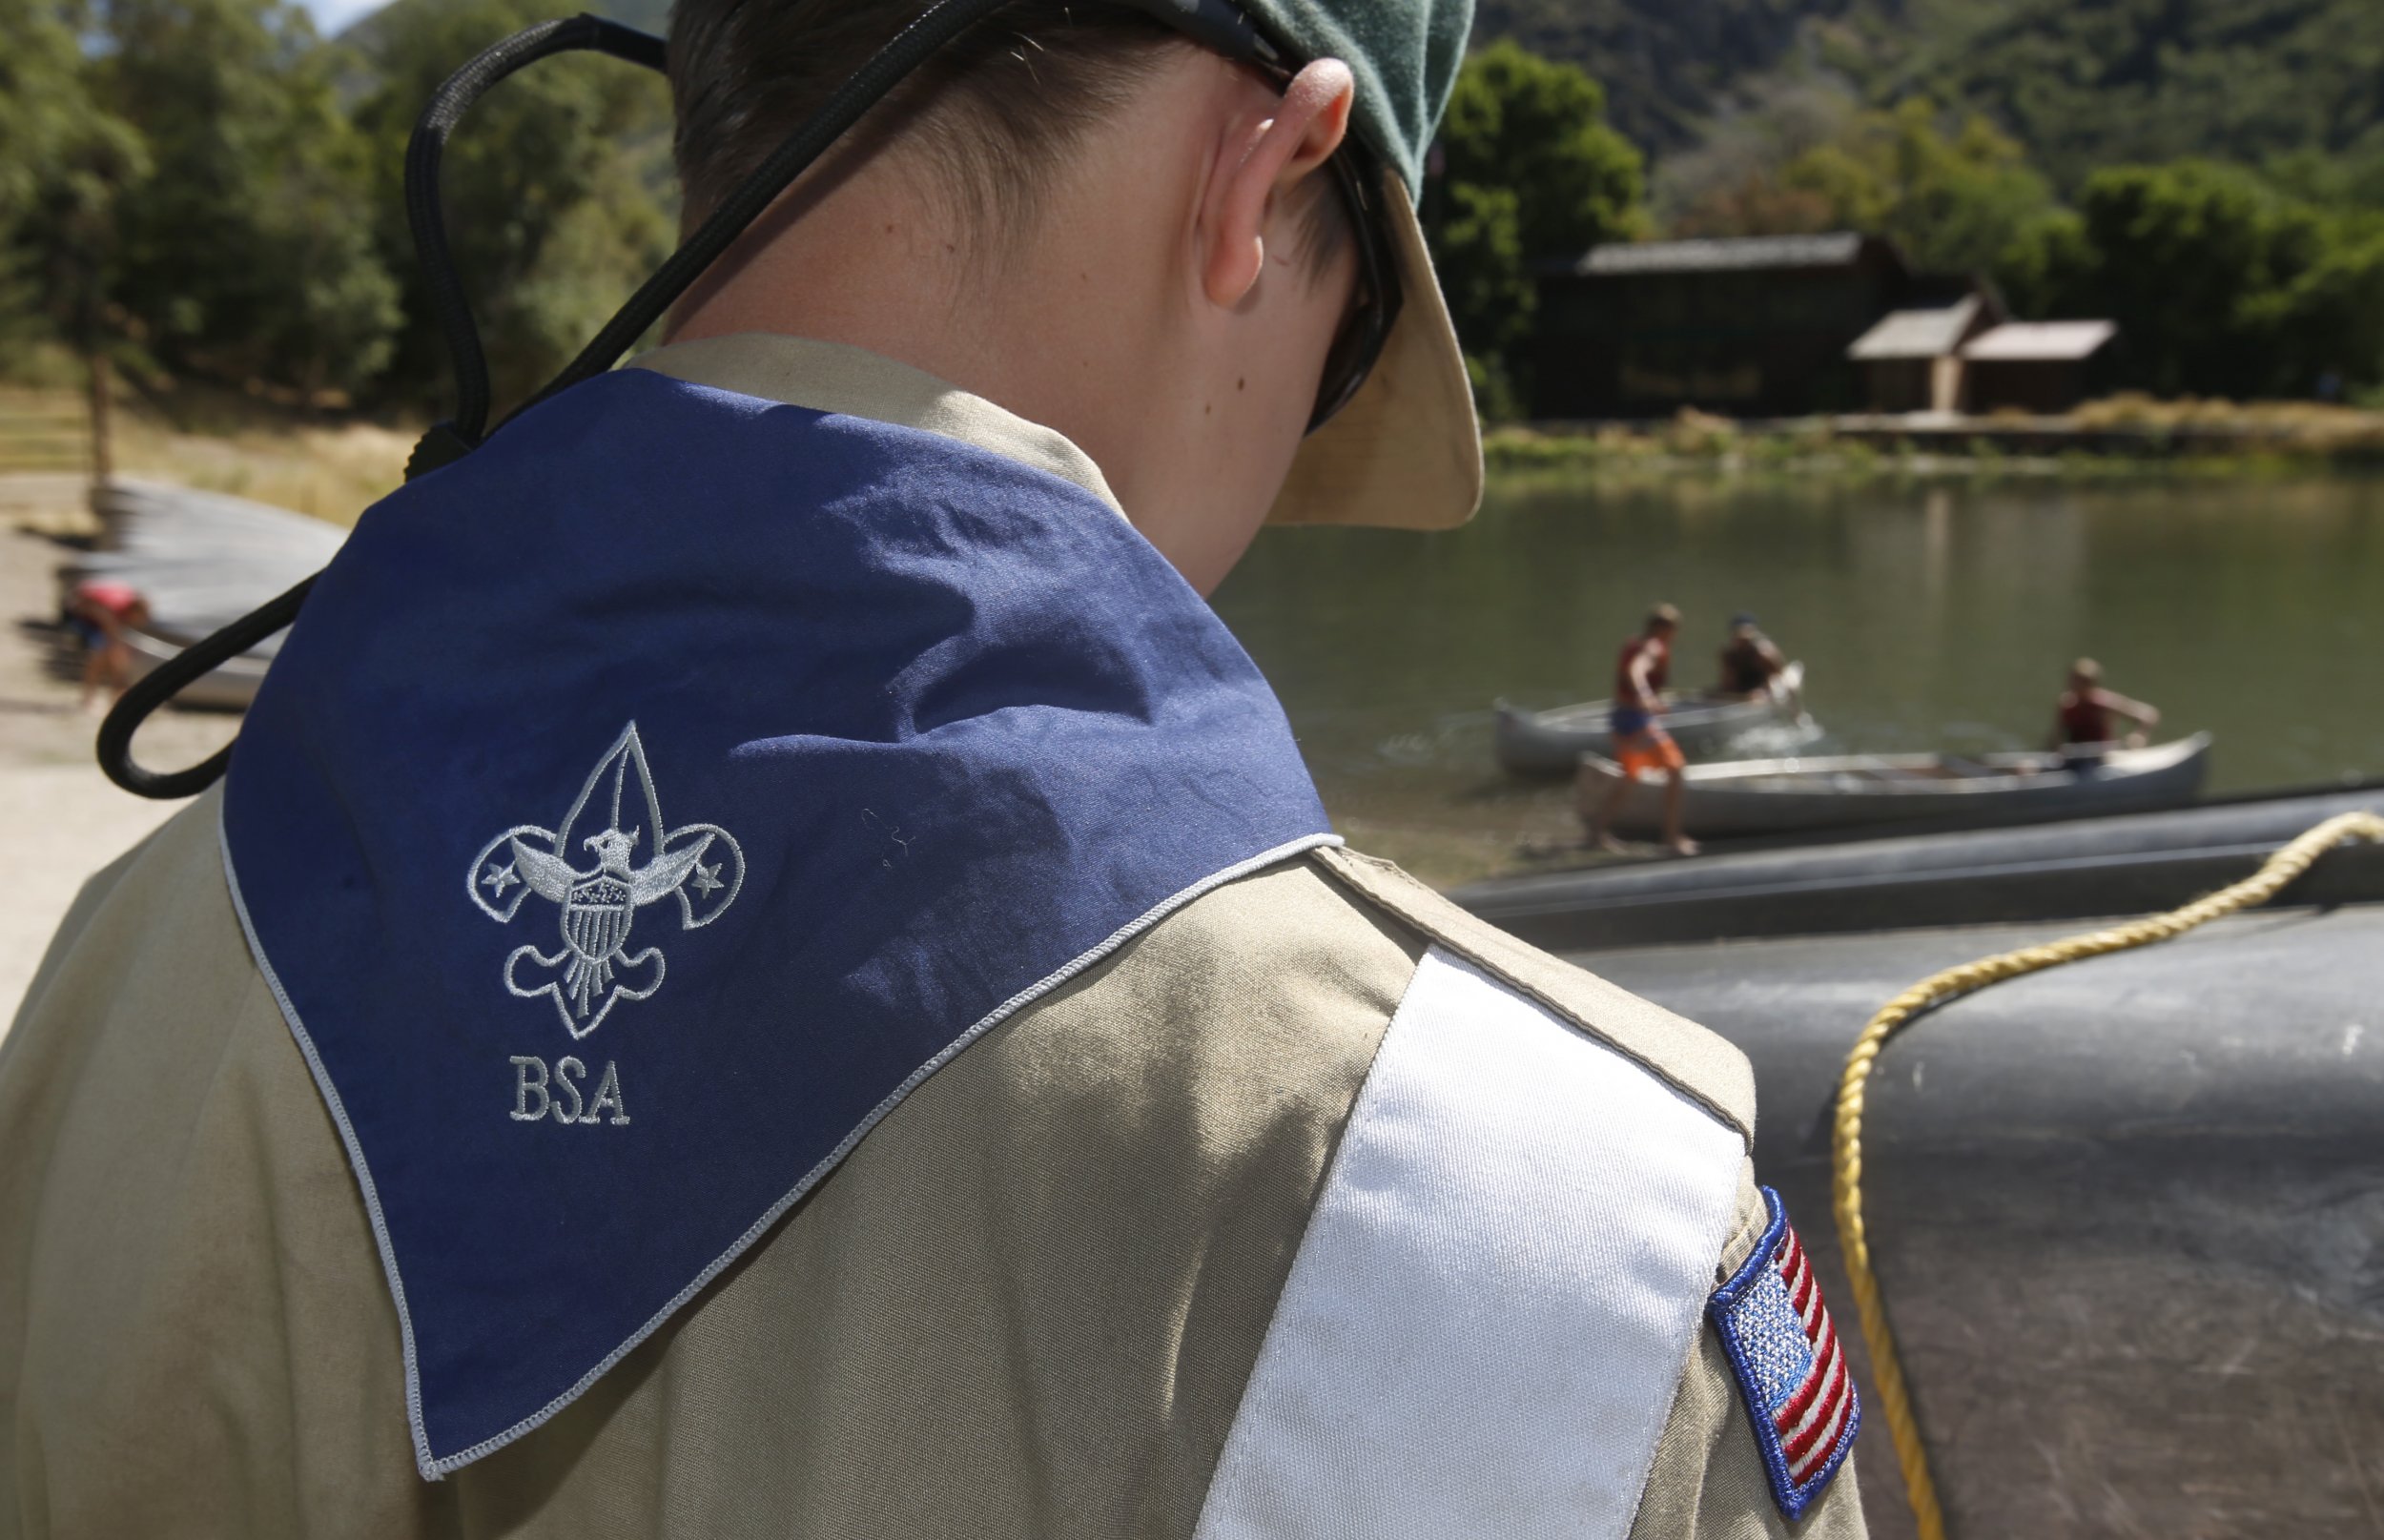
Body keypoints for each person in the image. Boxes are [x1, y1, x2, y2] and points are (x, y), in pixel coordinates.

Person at [0, 4, 1863, 1536]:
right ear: (1266, 166)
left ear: (712, 114)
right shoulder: (1573, 1231)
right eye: (1356, 328)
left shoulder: (111, 970)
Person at [1586, 604, 1699, 857]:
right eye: (1673, 631)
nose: (1674, 636)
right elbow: (1636, 670)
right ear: (1663, 629)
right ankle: (1671, 838)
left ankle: (1596, 833)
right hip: (1636, 721)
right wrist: (1646, 697)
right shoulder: (1652, 646)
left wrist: (1646, 700)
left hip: (1620, 719)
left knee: (1630, 777)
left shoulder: (1634, 642)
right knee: (1676, 769)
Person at [65, 576, 149, 708]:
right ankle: (92, 699)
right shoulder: (113, 608)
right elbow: (108, 627)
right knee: (103, 659)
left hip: (90, 605)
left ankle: (107, 699)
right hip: (81, 612)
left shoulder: (125, 601)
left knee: (111, 657)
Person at [2053, 657, 2160, 753]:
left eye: (2081, 682)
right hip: (2075, 757)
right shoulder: (2067, 704)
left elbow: (2148, 715)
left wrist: (2139, 735)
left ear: (2092, 684)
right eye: (2073, 680)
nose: (2075, 685)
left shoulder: (2104, 703)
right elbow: (2056, 737)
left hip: (2102, 758)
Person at [1716, 612, 1786, 700]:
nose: (1741, 641)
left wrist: (1762, 692)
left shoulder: (1764, 653)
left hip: (1764, 684)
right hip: (1743, 686)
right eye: (1737, 637)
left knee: (1764, 694)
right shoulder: (1729, 654)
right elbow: (1728, 680)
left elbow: (1775, 677)